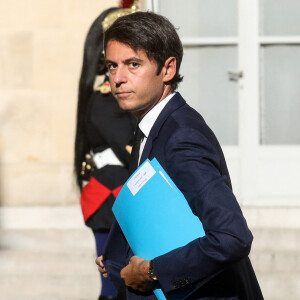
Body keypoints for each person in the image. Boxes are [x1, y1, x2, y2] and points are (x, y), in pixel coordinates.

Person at [96, 11, 264, 300]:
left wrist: (151, 271)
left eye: (133, 64)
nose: (118, 78)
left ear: (168, 68)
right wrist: (119, 257)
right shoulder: (152, 125)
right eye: (112, 66)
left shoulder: (182, 137)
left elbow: (231, 237)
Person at [74, 7, 136, 300]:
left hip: (122, 197)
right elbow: (131, 151)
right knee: (114, 286)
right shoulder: (104, 101)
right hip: (113, 199)